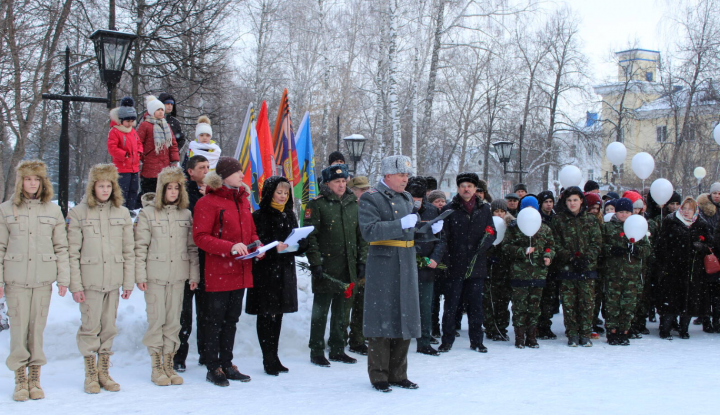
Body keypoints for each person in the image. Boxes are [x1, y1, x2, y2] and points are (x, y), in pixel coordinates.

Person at [359, 155, 439, 392]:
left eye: (406, 175)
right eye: (401, 175)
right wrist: (400, 224)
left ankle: (398, 373)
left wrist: (429, 230)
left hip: (405, 261)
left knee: (405, 315)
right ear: (387, 176)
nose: (405, 179)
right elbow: (369, 231)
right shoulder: (371, 199)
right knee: (382, 318)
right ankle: (379, 375)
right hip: (384, 264)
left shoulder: (405, 198)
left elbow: (410, 231)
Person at [0, 160, 69, 402]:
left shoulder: (53, 211)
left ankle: (35, 378)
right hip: (15, 280)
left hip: (42, 281)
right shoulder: (6, 210)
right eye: (28, 179)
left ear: (42, 182)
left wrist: (63, 278)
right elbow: (0, 246)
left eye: (36, 179)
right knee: (19, 329)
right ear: (21, 182)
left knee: (36, 330)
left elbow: (61, 247)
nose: (32, 183)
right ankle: (20, 379)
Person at [193, 157, 261, 386]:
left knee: (231, 319)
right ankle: (213, 367)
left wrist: (257, 244)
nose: (242, 175)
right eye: (238, 171)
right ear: (224, 175)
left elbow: (250, 231)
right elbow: (201, 237)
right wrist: (229, 247)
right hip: (219, 271)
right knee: (214, 320)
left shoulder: (243, 201)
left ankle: (227, 362)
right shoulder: (208, 202)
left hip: (241, 269)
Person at [67, 164, 135, 393]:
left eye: (109, 186)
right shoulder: (78, 213)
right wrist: (75, 285)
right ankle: (90, 375)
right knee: (89, 328)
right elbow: (72, 252)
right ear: (92, 187)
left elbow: (129, 251)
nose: (105, 190)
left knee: (108, 328)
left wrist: (128, 282)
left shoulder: (122, 213)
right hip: (90, 282)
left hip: (113, 282)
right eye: (100, 185)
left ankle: (104, 372)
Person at [135, 166, 200, 387]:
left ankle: (169, 364)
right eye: (169, 188)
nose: (173, 192)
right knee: (157, 322)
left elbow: (192, 248)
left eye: (176, 188)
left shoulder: (186, 214)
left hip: (178, 277)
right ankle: (156, 366)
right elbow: (140, 247)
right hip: (155, 277)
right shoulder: (147, 213)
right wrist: (140, 275)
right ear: (161, 189)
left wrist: (194, 274)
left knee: (173, 323)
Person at [305, 164, 367, 367]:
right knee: (321, 310)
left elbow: (361, 236)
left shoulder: (353, 204)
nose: (341, 185)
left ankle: (338, 348)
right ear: (327, 183)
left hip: (348, 265)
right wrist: (315, 262)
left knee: (342, 310)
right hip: (326, 266)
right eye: (336, 182)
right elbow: (310, 236)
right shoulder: (317, 205)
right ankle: (316, 349)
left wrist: (361, 261)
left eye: (343, 181)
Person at [247, 176, 309, 375]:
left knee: (278, 315)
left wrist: (301, 244)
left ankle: (275, 356)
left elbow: (295, 239)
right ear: (270, 193)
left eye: (285, 193)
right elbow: (258, 243)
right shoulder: (260, 215)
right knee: (266, 314)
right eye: (279, 192)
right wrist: (275, 248)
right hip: (266, 272)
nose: (283, 197)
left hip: (284, 270)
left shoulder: (290, 215)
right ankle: (268, 358)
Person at [436, 172, 496, 354]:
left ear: (475, 189)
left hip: (476, 265)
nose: (466, 189)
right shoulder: (449, 209)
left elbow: (492, 231)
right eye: (463, 186)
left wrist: (485, 243)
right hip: (456, 265)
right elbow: (443, 237)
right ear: (458, 188)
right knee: (451, 305)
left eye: (470, 186)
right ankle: (447, 340)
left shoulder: (484, 209)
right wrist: (447, 260)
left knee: (476, 306)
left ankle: (477, 340)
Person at [551, 187, 602, 347]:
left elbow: (597, 242)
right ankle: (572, 334)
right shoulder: (558, 220)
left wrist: (586, 259)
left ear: (581, 201)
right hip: (567, 269)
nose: (572, 203)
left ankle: (585, 334)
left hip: (587, 268)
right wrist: (570, 258)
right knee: (569, 304)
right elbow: (555, 243)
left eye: (575, 200)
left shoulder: (591, 220)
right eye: (569, 200)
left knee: (587, 304)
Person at [657, 197, 712, 339]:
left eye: (690, 209)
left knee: (689, 299)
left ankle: (684, 328)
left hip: (693, 269)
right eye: (685, 208)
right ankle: (665, 329)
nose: (687, 212)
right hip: (673, 267)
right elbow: (662, 243)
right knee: (670, 299)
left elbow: (709, 244)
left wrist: (702, 247)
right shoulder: (671, 221)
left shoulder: (700, 223)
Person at [174, 155, 210, 372]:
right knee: (184, 313)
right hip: (187, 258)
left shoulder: (212, 191)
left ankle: (206, 353)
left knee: (206, 311)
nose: (206, 171)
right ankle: (180, 355)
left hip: (207, 259)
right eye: (201, 168)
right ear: (190, 171)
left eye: (208, 167)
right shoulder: (183, 194)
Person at [504, 196, 555, 349]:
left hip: (538, 274)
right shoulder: (514, 228)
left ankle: (532, 336)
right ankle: (519, 336)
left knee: (534, 307)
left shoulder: (544, 228)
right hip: (519, 274)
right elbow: (506, 248)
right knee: (519, 307)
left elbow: (551, 246)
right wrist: (522, 251)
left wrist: (548, 256)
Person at [602, 198, 650, 346]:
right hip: (613, 274)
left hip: (632, 275)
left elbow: (647, 250)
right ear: (616, 212)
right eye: (621, 212)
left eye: (627, 212)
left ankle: (624, 331)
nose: (624, 215)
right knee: (612, 305)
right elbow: (600, 246)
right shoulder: (608, 228)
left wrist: (636, 250)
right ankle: (612, 331)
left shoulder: (638, 226)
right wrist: (611, 250)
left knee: (628, 305)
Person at [407, 176, 443, 356]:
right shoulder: (401, 210)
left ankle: (424, 341)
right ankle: (400, 341)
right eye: (413, 200)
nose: (416, 203)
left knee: (425, 305)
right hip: (405, 265)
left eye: (419, 200)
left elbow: (440, 238)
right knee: (404, 305)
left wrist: (435, 257)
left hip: (427, 265)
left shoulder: (432, 211)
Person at [346, 176, 371, 355]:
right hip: (348, 261)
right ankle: (340, 339)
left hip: (367, 260)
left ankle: (357, 338)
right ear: (352, 190)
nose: (364, 193)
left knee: (362, 303)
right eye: (360, 190)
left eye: (366, 190)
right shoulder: (347, 207)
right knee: (346, 304)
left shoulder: (369, 207)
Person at [137, 95, 179, 199]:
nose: (161, 112)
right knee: (149, 194)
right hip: (149, 167)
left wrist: (174, 160)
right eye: (158, 110)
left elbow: (173, 144)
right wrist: (139, 160)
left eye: (162, 109)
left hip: (164, 166)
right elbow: (138, 144)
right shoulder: (145, 125)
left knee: (162, 195)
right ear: (151, 111)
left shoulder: (166, 125)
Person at [483, 199, 514, 342]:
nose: (500, 214)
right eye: (497, 211)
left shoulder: (511, 226)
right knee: (489, 300)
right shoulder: (487, 225)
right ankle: (490, 327)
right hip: (489, 269)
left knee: (503, 301)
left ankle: (502, 327)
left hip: (505, 269)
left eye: (502, 211)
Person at [107, 96, 143, 212]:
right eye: (127, 121)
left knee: (133, 190)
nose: (130, 124)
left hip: (134, 167)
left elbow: (139, 143)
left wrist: (139, 153)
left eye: (132, 121)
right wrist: (124, 155)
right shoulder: (115, 131)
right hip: (122, 168)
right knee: (123, 190)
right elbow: (112, 148)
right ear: (121, 120)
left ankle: (131, 209)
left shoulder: (132, 131)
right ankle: (121, 210)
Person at [536, 190, 559, 340]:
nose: (549, 204)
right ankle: (537, 326)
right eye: (546, 202)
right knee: (538, 297)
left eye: (551, 201)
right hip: (538, 263)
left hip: (553, 262)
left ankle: (546, 325)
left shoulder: (556, 219)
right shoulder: (536, 219)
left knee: (549, 298)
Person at [697, 185, 720, 332]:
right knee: (706, 290)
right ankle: (705, 318)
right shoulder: (704, 210)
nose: (717, 195)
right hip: (708, 252)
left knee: (717, 292)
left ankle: (716, 320)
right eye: (715, 193)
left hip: (718, 251)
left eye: (719, 193)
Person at [427, 189, 447, 337]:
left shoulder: (448, 217)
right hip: (431, 263)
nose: (440, 204)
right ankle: (433, 325)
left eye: (442, 201)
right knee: (432, 299)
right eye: (437, 201)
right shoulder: (428, 217)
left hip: (446, 263)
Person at [157, 92, 186, 159]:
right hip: (154, 157)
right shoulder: (151, 120)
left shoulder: (175, 122)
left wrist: (175, 152)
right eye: (167, 104)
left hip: (170, 158)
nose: (170, 106)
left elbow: (181, 139)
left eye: (172, 104)